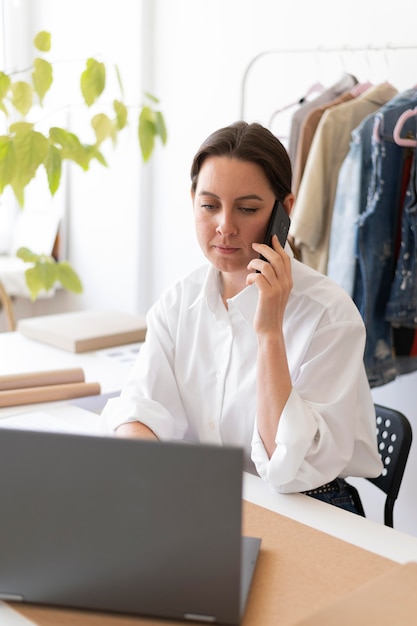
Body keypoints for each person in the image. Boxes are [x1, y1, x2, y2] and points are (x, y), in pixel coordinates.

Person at [101, 121, 382, 514]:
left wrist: (269, 331)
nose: (225, 227)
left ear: (283, 211)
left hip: (310, 505)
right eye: (209, 205)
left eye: (247, 209)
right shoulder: (179, 301)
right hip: (210, 497)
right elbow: (138, 410)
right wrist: (151, 482)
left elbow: (286, 469)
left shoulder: (330, 316)